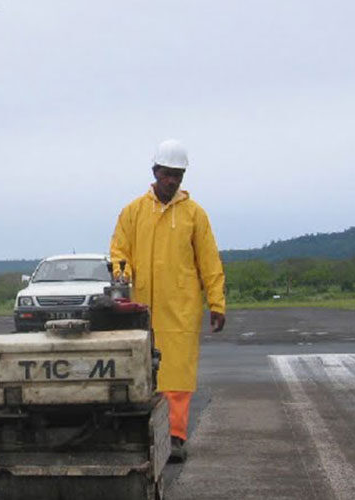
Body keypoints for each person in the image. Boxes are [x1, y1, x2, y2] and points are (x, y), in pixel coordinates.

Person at [109, 139, 226, 462]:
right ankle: (140, 434)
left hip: (181, 311)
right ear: (155, 171)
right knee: (140, 372)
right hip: (140, 309)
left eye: (178, 175)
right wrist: (122, 275)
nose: (172, 180)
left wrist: (216, 303)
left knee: (176, 375)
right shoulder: (132, 212)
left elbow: (210, 262)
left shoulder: (194, 215)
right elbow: (119, 251)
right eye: (167, 174)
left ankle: (174, 437)